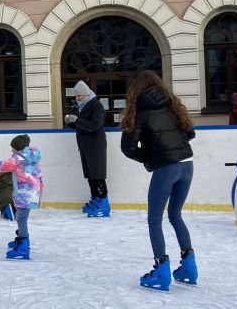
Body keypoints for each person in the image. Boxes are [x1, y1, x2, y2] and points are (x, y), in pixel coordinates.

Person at [119, 71, 197, 292]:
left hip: (166, 168)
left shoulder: (138, 111)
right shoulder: (173, 105)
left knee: (155, 219)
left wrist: (150, 158)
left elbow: (128, 148)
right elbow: (190, 133)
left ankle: (161, 271)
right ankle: (189, 267)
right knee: (175, 215)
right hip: (187, 164)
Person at [0, 134, 43, 260]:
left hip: (25, 194)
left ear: (18, 148)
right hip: (32, 192)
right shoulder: (32, 157)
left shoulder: (18, 159)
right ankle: (21, 239)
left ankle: (23, 246)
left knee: (21, 218)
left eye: (13, 148)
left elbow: (0, 165)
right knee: (21, 216)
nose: (11, 150)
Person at [65, 81, 109, 217]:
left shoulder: (96, 105)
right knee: (90, 174)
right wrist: (71, 123)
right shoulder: (83, 106)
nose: (78, 99)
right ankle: (95, 198)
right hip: (85, 145)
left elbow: (95, 125)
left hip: (95, 145)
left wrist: (77, 120)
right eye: (76, 96)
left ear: (87, 94)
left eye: (80, 96)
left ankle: (103, 203)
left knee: (97, 174)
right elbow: (81, 126)